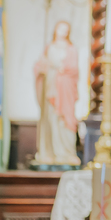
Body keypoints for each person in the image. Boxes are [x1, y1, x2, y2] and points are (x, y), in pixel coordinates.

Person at [32, 20, 80, 167]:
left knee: (65, 119)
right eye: (61, 29)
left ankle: (66, 152)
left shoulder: (71, 49)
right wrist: (43, 68)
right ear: (55, 30)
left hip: (64, 89)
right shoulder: (49, 47)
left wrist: (61, 68)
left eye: (66, 29)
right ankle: (48, 152)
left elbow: (74, 69)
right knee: (50, 119)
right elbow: (40, 65)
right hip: (50, 88)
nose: (63, 32)